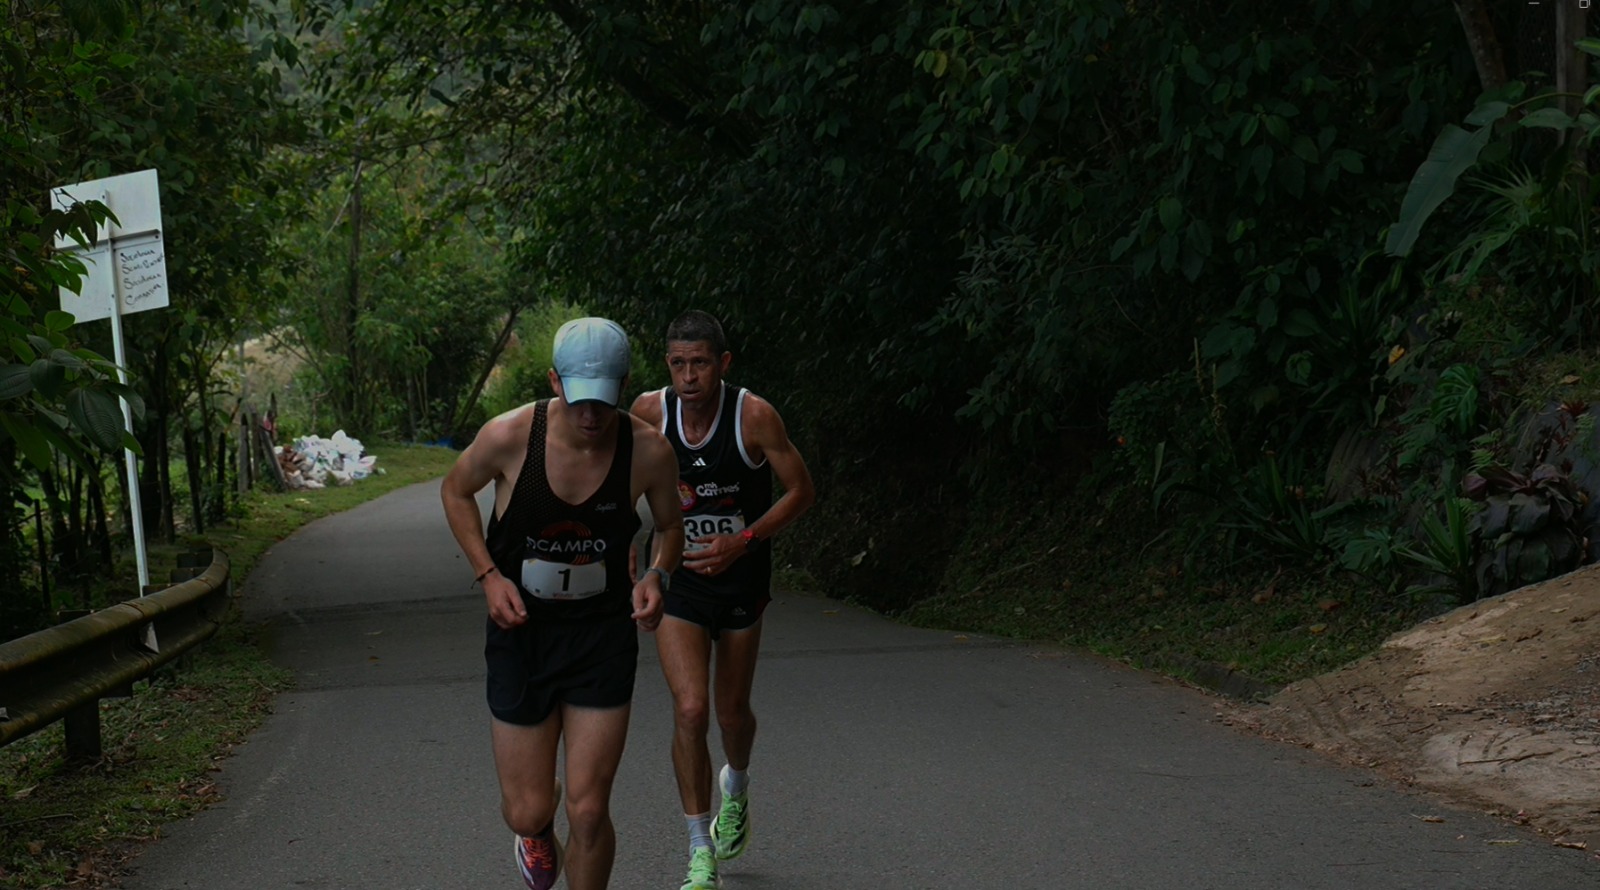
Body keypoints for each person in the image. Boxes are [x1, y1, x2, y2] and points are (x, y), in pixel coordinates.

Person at [441, 317, 686, 890]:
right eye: (579, 401)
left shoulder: (648, 451)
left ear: (623, 388)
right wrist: (487, 575)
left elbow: (671, 528)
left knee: (590, 810)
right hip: (521, 635)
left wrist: (657, 575)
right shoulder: (508, 437)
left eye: (603, 402)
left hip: (600, 638)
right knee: (527, 810)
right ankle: (534, 829)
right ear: (555, 382)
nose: (591, 416)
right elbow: (455, 491)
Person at [629, 310, 815, 890]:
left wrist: (744, 540)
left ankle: (736, 784)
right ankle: (698, 849)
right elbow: (613, 488)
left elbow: (801, 491)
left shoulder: (753, 415)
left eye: (701, 363)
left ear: (723, 364)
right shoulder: (649, 413)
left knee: (731, 714)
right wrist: (631, 567)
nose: (690, 377)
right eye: (679, 364)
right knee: (690, 710)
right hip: (677, 577)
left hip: (740, 578)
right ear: (668, 365)